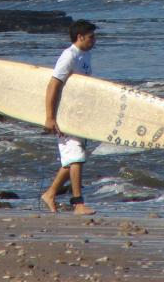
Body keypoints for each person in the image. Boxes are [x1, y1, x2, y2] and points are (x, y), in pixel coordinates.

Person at [41, 19, 98, 215]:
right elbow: (53, 85)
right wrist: (50, 117)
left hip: (79, 115)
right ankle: (78, 204)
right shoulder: (68, 56)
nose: (94, 40)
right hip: (64, 115)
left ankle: (50, 194)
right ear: (79, 37)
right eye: (91, 37)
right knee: (77, 159)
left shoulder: (86, 55)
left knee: (73, 159)